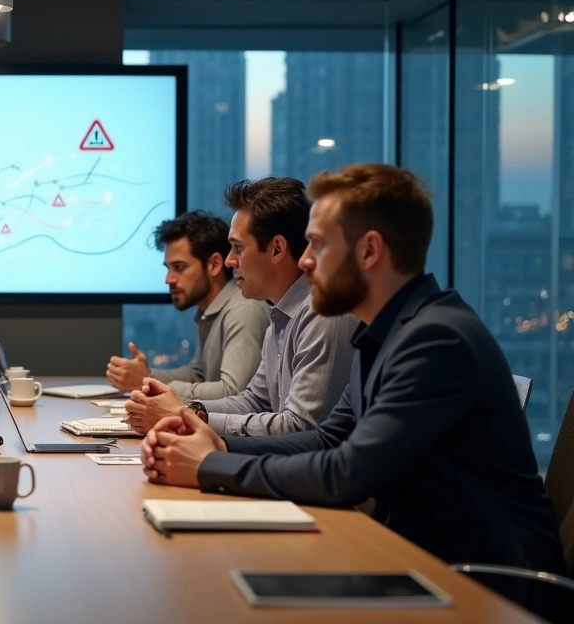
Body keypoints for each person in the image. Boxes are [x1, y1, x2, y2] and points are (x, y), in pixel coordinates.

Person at [139, 163, 565, 579]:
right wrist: (218, 445)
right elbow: (328, 437)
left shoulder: (437, 339)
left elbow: (346, 473)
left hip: (488, 583)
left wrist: (211, 463)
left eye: (318, 245)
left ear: (369, 251)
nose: (304, 262)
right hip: (421, 556)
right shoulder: (380, 331)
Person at [124, 178, 359, 436]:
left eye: (237, 248)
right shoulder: (281, 316)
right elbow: (253, 401)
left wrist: (185, 416)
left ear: (277, 249)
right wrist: (191, 411)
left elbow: (301, 428)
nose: (229, 261)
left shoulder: (322, 311)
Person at [106, 210, 269, 401]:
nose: (169, 280)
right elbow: (197, 374)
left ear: (214, 265)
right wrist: (147, 375)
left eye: (180, 267)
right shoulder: (213, 311)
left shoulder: (244, 310)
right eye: (168, 268)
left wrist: (147, 381)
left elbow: (234, 392)